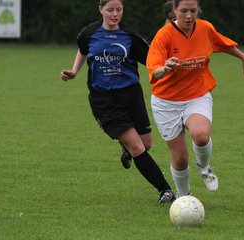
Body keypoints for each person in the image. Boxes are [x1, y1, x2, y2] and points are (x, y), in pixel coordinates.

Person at [60, 0, 175, 203]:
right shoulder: (89, 33)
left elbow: (151, 58)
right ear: (100, 9)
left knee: (146, 143)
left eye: (119, 10)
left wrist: (165, 62)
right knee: (137, 147)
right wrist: (75, 71)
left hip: (131, 95)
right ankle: (165, 191)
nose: (115, 14)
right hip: (104, 100)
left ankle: (125, 146)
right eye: (110, 10)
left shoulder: (130, 36)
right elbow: (82, 49)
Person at [146, 0, 244, 198]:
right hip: (166, 101)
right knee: (180, 159)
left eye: (193, 11)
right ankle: (184, 198)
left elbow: (222, 43)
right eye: (184, 11)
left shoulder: (205, 28)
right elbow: (154, 69)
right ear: (174, 9)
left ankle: (204, 168)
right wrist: (165, 67)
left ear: (198, 10)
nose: (188, 16)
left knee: (201, 135)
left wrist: (243, 57)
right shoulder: (164, 35)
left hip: (197, 94)